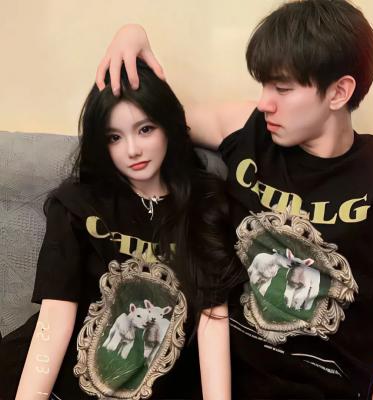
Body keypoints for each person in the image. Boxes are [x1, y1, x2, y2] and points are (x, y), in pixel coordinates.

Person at [95, 0, 373, 399]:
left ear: (339, 92)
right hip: (218, 364)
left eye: (282, 88)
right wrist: (132, 35)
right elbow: (149, 127)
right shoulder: (250, 130)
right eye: (264, 85)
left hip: (320, 379)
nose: (264, 102)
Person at [0, 61, 241, 399]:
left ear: (168, 126)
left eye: (145, 129)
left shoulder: (206, 205)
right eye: (115, 137)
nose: (132, 150)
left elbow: (212, 318)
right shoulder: (76, 205)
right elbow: (54, 317)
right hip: (65, 379)